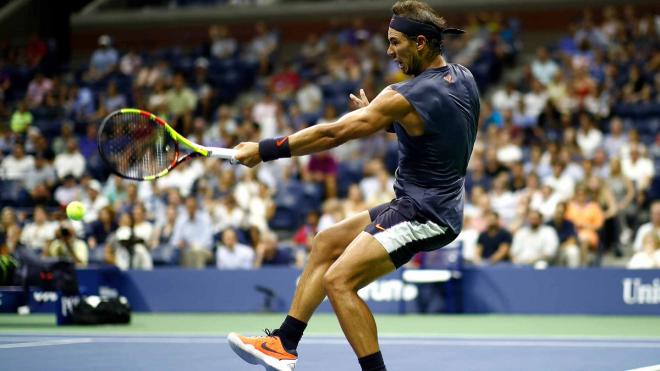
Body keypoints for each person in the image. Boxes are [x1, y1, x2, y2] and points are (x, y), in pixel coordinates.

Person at [228, 2, 478, 370]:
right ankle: (283, 342)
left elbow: (334, 133)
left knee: (339, 281)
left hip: (426, 212)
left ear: (421, 42)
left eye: (395, 43)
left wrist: (263, 150)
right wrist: (388, 119)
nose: (390, 51)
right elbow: (444, 128)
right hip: (427, 203)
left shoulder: (406, 95)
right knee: (326, 241)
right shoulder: (463, 77)